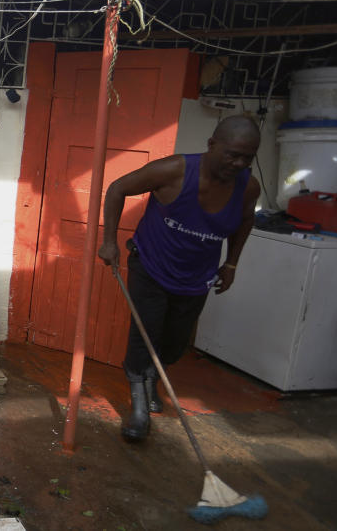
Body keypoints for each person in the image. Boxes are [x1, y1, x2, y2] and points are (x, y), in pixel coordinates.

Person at [98, 115, 261, 442]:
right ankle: (140, 406)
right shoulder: (174, 170)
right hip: (151, 267)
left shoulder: (248, 186)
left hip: (195, 277)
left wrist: (231, 264)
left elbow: (244, 222)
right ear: (212, 145)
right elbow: (117, 189)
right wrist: (110, 241)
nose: (238, 163)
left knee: (174, 343)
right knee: (145, 335)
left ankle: (152, 380)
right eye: (232, 154)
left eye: (247, 157)